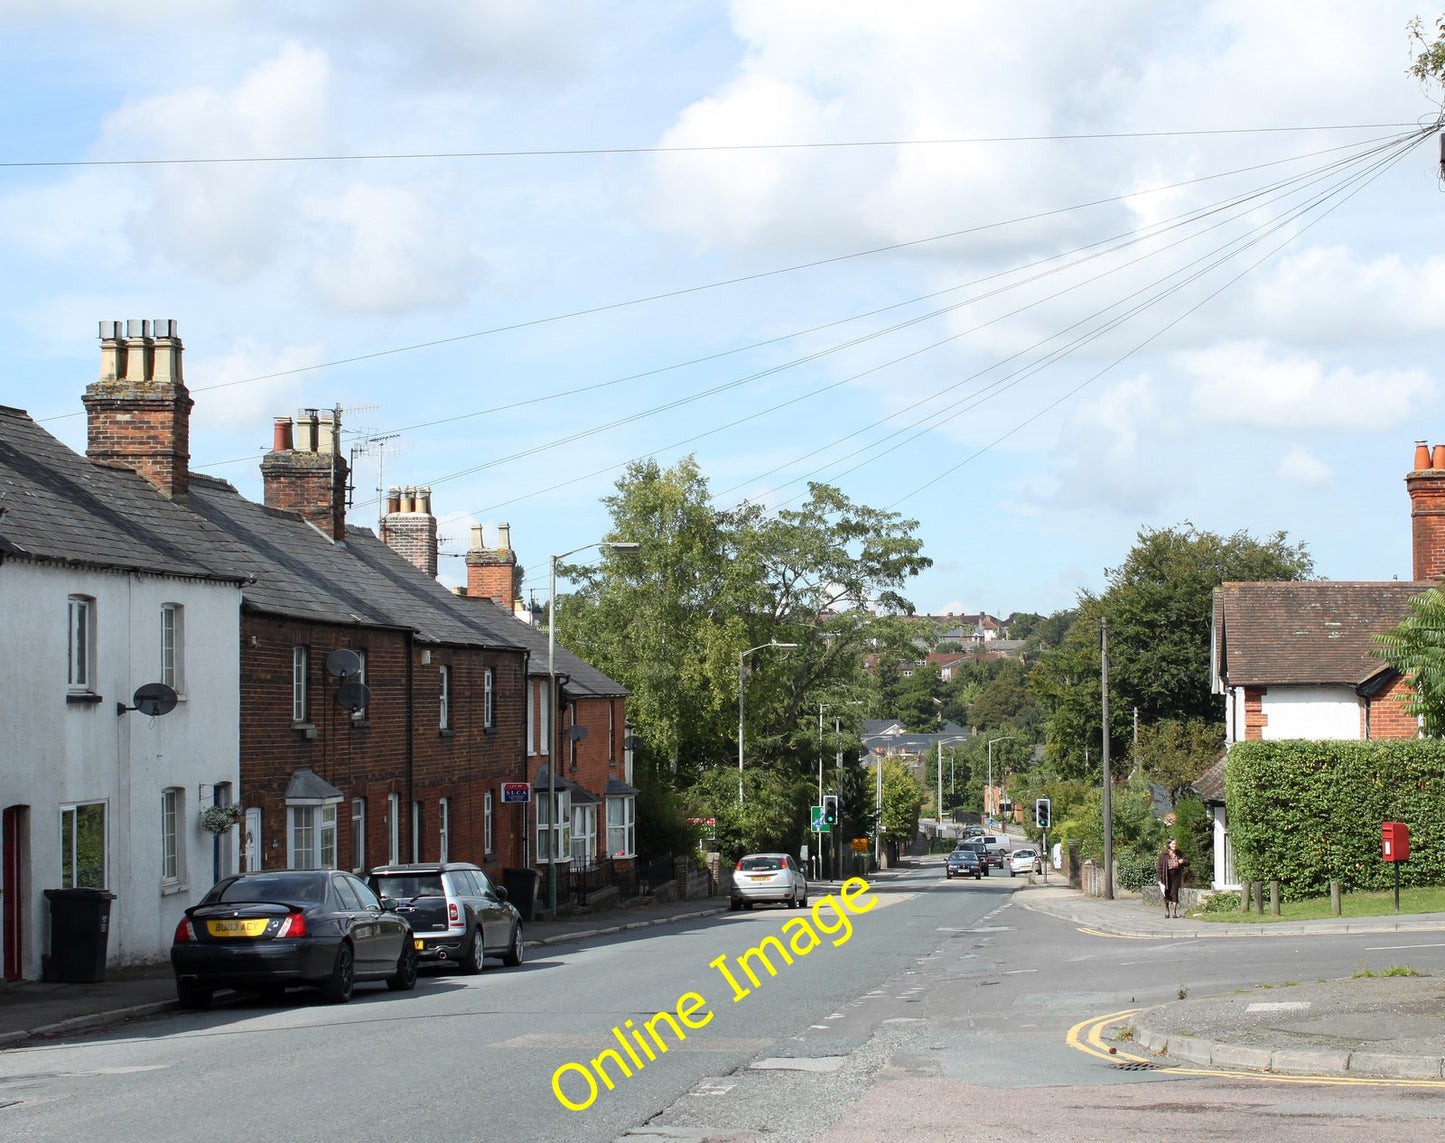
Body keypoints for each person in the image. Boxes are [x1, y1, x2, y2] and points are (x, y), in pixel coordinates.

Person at [1156, 838, 1188, 918]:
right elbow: (1159, 868)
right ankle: (1167, 911)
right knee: (1166, 893)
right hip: (1166, 876)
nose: (1175, 846)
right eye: (1173, 844)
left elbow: (1187, 861)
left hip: (1176, 875)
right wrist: (1159, 879)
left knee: (1174, 893)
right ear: (1169, 845)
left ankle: (1174, 912)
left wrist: (1183, 861)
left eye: (1176, 844)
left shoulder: (1179, 853)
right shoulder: (1163, 855)